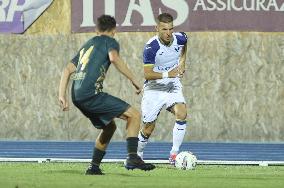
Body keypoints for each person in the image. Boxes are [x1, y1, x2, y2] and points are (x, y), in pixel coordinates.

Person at [58, 15, 155, 175]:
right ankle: (132, 157)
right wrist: (134, 80)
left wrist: (62, 95)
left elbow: (67, 69)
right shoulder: (110, 41)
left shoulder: (88, 44)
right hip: (91, 94)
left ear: (97, 29)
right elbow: (114, 58)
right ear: (114, 30)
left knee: (109, 127)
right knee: (135, 116)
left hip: (77, 96)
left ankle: (94, 167)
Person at [137, 13, 188, 165]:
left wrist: (182, 62)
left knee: (182, 113)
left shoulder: (180, 38)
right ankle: (137, 154)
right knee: (148, 128)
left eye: (171, 29)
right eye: (164, 29)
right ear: (157, 28)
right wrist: (168, 73)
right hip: (154, 87)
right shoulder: (150, 48)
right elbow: (147, 74)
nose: (168, 33)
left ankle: (174, 154)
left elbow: (185, 44)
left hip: (172, 84)